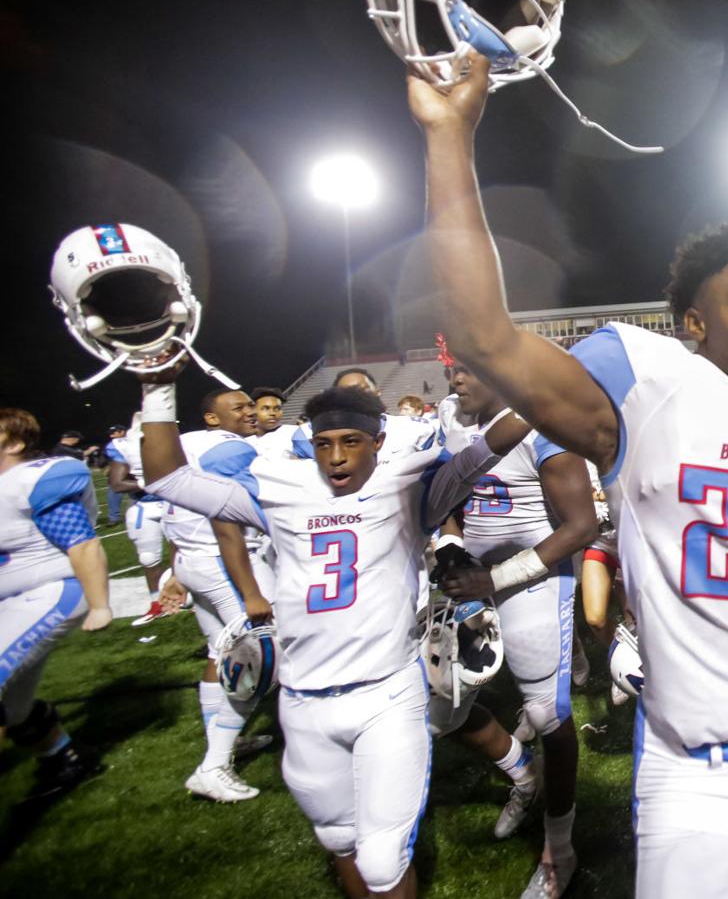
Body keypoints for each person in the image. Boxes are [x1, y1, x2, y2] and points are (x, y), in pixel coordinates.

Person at [411, 53, 728, 899]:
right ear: (693, 321)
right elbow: (482, 336)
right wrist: (450, 135)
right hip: (689, 762)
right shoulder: (644, 386)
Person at [139, 373, 507, 899]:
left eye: (351, 442)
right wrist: (156, 382)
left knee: (382, 860)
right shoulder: (277, 490)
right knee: (338, 840)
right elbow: (166, 479)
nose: (335, 457)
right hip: (303, 700)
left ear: (378, 442)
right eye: (323, 444)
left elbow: (495, 443)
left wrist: (524, 375)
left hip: (386, 694)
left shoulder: (411, 485)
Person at [433, 356, 600, 895]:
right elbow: (447, 500)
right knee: (441, 701)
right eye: (451, 372)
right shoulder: (457, 426)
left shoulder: (542, 427)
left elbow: (582, 525)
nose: (456, 381)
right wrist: (453, 546)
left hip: (532, 579)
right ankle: (522, 776)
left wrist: (495, 578)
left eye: (467, 371)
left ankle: (560, 849)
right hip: (474, 580)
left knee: (546, 712)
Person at [162, 387, 272, 802]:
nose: (249, 413)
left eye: (249, 405)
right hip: (224, 562)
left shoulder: (186, 443)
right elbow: (228, 525)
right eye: (239, 407)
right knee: (262, 660)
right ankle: (215, 764)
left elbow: (175, 509)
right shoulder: (226, 448)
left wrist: (175, 570)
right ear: (212, 418)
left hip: (192, 560)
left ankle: (222, 739)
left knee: (217, 652)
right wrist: (251, 592)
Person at [1, 407, 112, 799]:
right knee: (13, 709)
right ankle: (64, 759)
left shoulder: (33, 479)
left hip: (51, 590)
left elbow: (81, 543)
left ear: (15, 442)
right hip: (12, 599)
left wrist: (100, 604)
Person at [107, 415, 172, 625]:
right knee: (147, 557)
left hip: (175, 503)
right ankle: (157, 603)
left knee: (187, 553)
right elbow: (117, 483)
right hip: (143, 506)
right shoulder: (125, 446)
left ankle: (189, 596)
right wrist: (148, 483)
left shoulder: (177, 440)